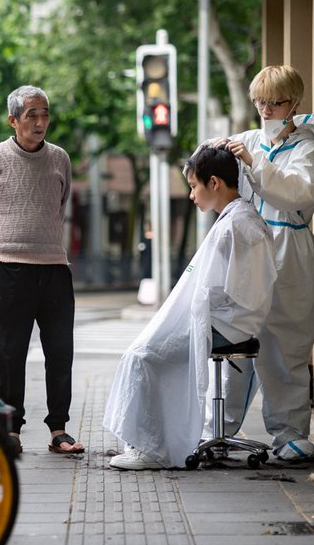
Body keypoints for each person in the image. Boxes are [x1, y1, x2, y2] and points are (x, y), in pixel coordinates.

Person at [104, 146, 277, 469]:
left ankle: (152, 449)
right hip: (228, 319)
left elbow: (232, 291)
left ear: (214, 183)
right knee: (142, 351)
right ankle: (152, 439)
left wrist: (188, 312)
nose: (191, 196)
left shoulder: (237, 225)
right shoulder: (240, 219)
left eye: (194, 186)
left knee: (144, 357)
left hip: (228, 323)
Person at [212, 64, 314, 462]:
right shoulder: (249, 139)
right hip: (250, 247)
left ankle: (290, 432)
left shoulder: (309, 149)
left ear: (294, 104)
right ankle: (218, 428)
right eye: (260, 102)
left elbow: (298, 192)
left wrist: (255, 164)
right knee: (235, 335)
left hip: (288, 248)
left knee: (285, 344)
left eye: (275, 103)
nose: (265, 110)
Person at [0, 84, 83, 455]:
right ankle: (11, 429)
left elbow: (61, 204)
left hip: (53, 267)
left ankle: (59, 429)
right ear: (13, 120)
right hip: (8, 269)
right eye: (32, 115)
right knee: (10, 352)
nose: (40, 122)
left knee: (60, 351)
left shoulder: (60, 158)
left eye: (45, 114)